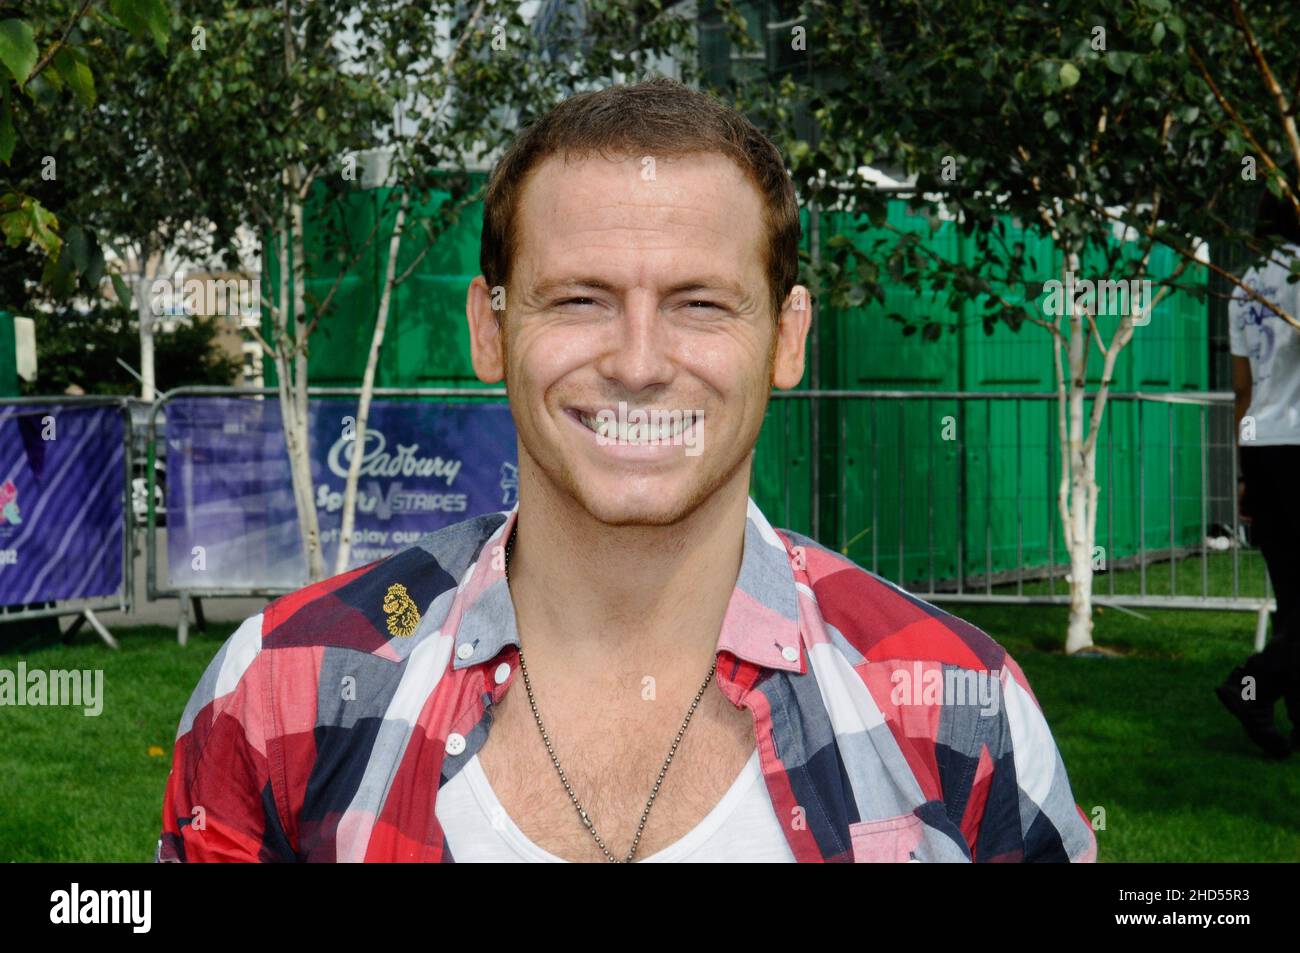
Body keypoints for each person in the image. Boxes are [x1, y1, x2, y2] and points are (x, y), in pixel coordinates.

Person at [156, 78, 1096, 863]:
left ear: (787, 337)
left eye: (698, 302)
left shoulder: (961, 710)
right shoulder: (283, 692)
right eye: (578, 298)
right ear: (491, 330)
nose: (639, 362)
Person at [1215, 193, 1300, 759]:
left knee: (1293, 599)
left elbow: (1244, 392)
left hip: (1265, 448)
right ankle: (1253, 686)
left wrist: (1245, 474)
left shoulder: (1244, 285)